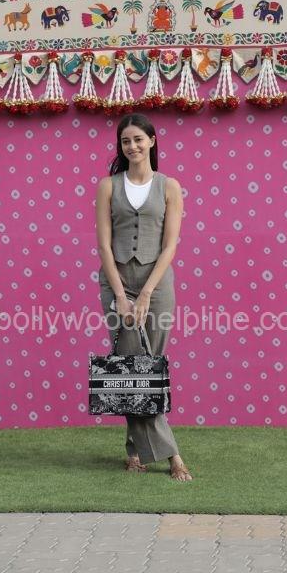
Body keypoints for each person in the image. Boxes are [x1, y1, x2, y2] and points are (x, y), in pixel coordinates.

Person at [95, 114, 193, 482]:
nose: (132, 146)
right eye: (125, 141)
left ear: (151, 140)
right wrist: (122, 296)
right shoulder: (108, 186)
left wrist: (147, 292)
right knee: (128, 367)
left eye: (138, 139)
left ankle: (135, 451)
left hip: (158, 283)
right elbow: (103, 246)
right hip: (117, 281)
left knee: (148, 368)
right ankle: (173, 455)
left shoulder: (170, 186)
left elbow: (170, 245)